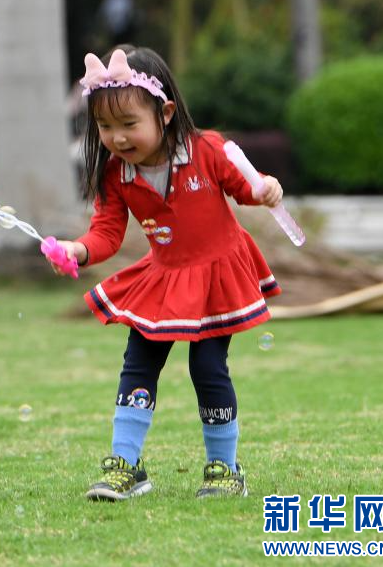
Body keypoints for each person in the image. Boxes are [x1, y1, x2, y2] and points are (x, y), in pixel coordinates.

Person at [49, 46, 284, 501]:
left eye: (128, 123)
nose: (117, 138)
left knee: (207, 367)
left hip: (217, 276)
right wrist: (77, 249)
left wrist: (265, 188)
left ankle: (224, 469)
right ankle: (126, 465)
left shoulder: (206, 150)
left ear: (166, 112)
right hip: (165, 275)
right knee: (138, 361)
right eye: (105, 126)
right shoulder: (116, 174)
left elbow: (246, 188)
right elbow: (106, 233)